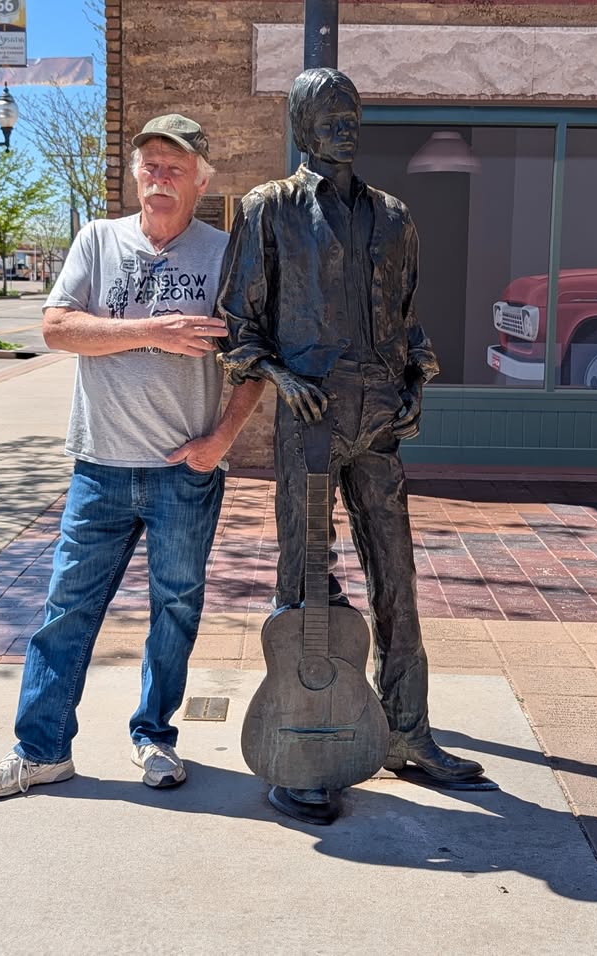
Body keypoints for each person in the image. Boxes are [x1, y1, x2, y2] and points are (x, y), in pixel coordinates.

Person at [0, 114, 264, 799]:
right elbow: (57, 328)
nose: (159, 177)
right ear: (134, 174)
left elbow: (256, 360)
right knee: (65, 612)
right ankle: (41, 750)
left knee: (176, 609)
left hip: (184, 473)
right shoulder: (97, 242)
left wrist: (221, 440)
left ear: (200, 179)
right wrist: (152, 333)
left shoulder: (224, 255)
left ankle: (154, 737)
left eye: (174, 166)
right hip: (98, 466)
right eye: (149, 165)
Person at [217, 69, 485, 796]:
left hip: (379, 422)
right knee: (304, 578)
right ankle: (302, 746)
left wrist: (415, 386)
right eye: (329, 112)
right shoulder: (267, 209)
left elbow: (408, 320)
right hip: (310, 418)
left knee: (398, 579)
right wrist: (282, 375)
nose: (344, 123)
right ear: (302, 123)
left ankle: (407, 731)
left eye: (353, 111)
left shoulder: (395, 215)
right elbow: (237, 328)